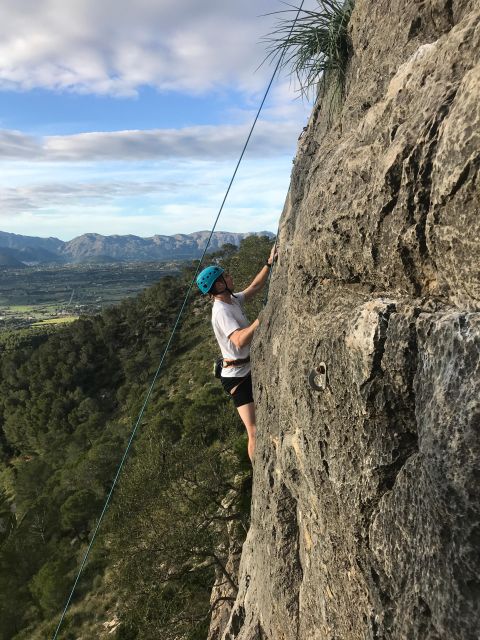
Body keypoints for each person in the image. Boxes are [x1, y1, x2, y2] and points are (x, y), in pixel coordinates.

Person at [196, 245, 277, 462]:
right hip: (237, 377)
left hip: (247, 367)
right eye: (226, 276)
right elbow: (240, 340)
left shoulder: (231, 300)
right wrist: (262, 318)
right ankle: (257, 474)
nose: (230, 278)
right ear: (219, 285)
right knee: (254, 430)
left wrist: (269, 263)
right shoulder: (221, 311)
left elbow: (254, 287)